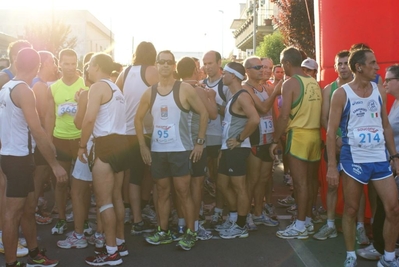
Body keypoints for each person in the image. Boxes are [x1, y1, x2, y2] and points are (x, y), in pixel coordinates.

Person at [326, 48, 399, 267]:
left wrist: (394, 155)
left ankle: (388, 257)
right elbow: (331, 132)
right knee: (350, 209)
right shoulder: (342, 93)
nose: (377, 67)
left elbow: (385, 125)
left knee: (393, 209)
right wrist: (331, 165)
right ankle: (350, 255)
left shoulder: (378, 90)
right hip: (353, 159)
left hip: (379, 158)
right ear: (359, 67)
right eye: (373, 63)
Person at [0, 48, 67, 267]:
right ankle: (11, 263)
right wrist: (55, 164)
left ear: (16, 63)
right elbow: (37, 130)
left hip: (15, 157)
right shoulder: (23, 90)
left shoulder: (6, 87)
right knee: (12, 213)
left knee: (28, 208)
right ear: (37, 67)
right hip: (17, 159)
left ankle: (34, 253)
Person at [136, 50, 208, 251]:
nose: (165, 65)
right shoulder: (150, 92)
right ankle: (163, 231)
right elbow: (137, 118)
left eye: (169, 62)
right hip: (158, 151)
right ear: (157, 65)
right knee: (162, 192)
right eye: (162, 62)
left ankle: (191, 232)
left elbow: (204, 113)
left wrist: (200, 142)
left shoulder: (184, 89)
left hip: (180, 150)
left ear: (174, 65)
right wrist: (143, 146)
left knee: (183, 192)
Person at [314, 50, 371, 242]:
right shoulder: (329, 90)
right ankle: (330, 224)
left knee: (358, 188)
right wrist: (337, 138)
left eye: (347, 63)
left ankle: (360, 227)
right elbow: (324, 118)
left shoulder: (363, 88)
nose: (343, 67)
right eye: (340, 64)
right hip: (335, 146)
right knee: (332, 186)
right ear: (335, 66)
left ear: (353, 65)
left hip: (356, 148)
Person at [78, 53, 129, 265]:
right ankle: (119, 242)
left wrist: (82, 145)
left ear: (97, 66)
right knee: (116, 196)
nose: (87, 69)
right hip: (121, 144)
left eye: (89, 65)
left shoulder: (98, 86)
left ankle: (111, 252)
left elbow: (89, 118)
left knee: (104, 201)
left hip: (106, 144)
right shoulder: (117, 88)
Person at [270, 46, 322, 240]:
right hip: (315, 136)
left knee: (300, 184)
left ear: (287, 64)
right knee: (309, 182)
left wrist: (275, 140)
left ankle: (300, 224)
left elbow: (284, 117)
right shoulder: (313, 82)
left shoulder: (290, 83)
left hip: (298, 136)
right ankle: (306, 220)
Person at [115, 41, 158, 234]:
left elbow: (116, 93)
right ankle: (140, 215)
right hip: (147, 130)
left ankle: (133, 212)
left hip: (126, 131)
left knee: (133, 174)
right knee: (149, 173)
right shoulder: (152, 71)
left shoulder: (125, 72)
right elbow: (167, 91)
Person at [357, 64, 399, 261]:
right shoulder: (394, 102)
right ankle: (383, 248)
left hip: (395, 165)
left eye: (389, 79)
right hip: (391, 164)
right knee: (388, 207)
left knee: (390, 208)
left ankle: (384, 250)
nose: (384, 82)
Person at [215, 62, 260, 239]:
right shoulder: (234, 96)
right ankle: (234, 217)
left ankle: (241, 225)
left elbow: (255, 119)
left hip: (237, 148)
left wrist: (240, 139)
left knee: (240, 187)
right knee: (221, 184)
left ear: (233, 76)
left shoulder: (242, 95)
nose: (222, 75)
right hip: (228, 148)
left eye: (224, 73)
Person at [175, 57, 217, 240]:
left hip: (179, 144)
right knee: (196, 186)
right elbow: (213, 114)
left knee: (180, 188)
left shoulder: (174, 89)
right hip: (197, 144)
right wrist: (211, 97)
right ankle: (196, 225)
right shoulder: (198, 91)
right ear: (194, 69)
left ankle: (182, 223)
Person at [45, 48, 86, 235]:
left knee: (83, 184)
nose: (70, 68)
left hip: (79, 140)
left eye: (73, 64)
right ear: (59, 64)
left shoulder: (85, 85)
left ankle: (83, 220)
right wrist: (48, 141)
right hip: (60, 139)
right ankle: (61, 218)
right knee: (60, 182)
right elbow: (49, 117)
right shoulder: (52, 88)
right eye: (66, 63)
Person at [0, 40, 32, 258]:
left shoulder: (11, 83)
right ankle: (9, 253)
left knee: (24, 207)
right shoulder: (6, 79)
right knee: (11, 208)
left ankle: (32, 251)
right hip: (13, 153)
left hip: (15, 151)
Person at [241, 56, 279, 230]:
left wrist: (277, 138)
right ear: (247, 70)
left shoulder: (268, 87)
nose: (262, 70)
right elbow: (263, 108)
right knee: (252, 180)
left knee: (264, 179)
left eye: (263, 67)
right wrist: (275, 92)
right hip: (254, 140)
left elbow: (273, 113)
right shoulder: (245, 88)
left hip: (268, 139)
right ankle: (246, 214)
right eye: (257, 67)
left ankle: (258, 213)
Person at [202, 50, 232, 228]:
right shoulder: (201, 84)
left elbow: (232, 111)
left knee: (220, 177)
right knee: (208, 177)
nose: (207, 67)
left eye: (210, 63)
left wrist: (213, 104)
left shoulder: (225, 85)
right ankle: (207, 209)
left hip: (221, 136)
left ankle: (221, 210)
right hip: (204, 137)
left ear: (219, 63)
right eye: (204, 63)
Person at [31, 51, 58, 226]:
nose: (56, 65)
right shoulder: (39, 86)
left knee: (40, 176)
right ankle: (31, 212)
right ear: (45, 63)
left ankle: (34, 209)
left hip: (39, 139)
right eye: (53, 61)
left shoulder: (40, 84)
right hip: (40, 140)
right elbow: (42, 116)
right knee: (38, 177)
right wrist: (48, 141)